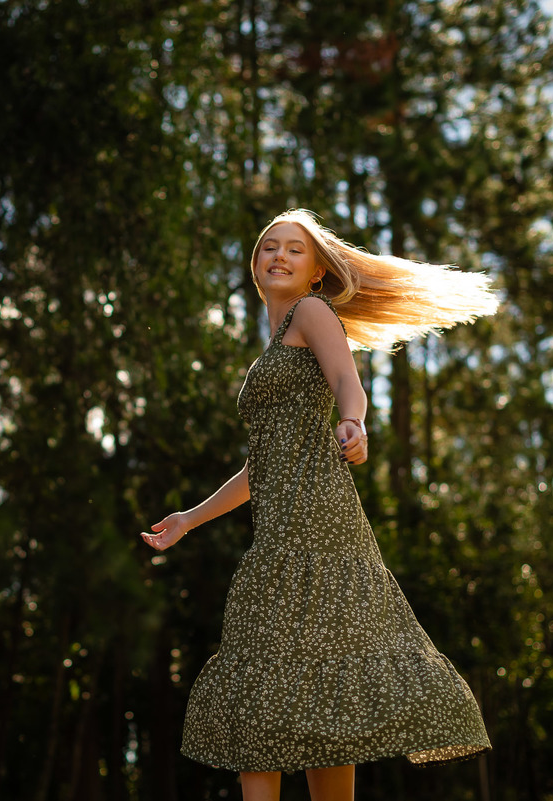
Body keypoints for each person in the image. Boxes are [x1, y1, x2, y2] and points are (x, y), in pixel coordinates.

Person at [141, 210, 495, 801]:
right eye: (268, 248)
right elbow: (262, 468)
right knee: (303, 698)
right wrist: (188, 519)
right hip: (280, 535)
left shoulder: (311, 313)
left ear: (315, 273)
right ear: (256, 268)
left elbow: (347, 382)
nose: (278, 255)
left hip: (320, 526)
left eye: (294, 250)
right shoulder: (273, 344)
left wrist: (354, 423)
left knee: (272, 685)